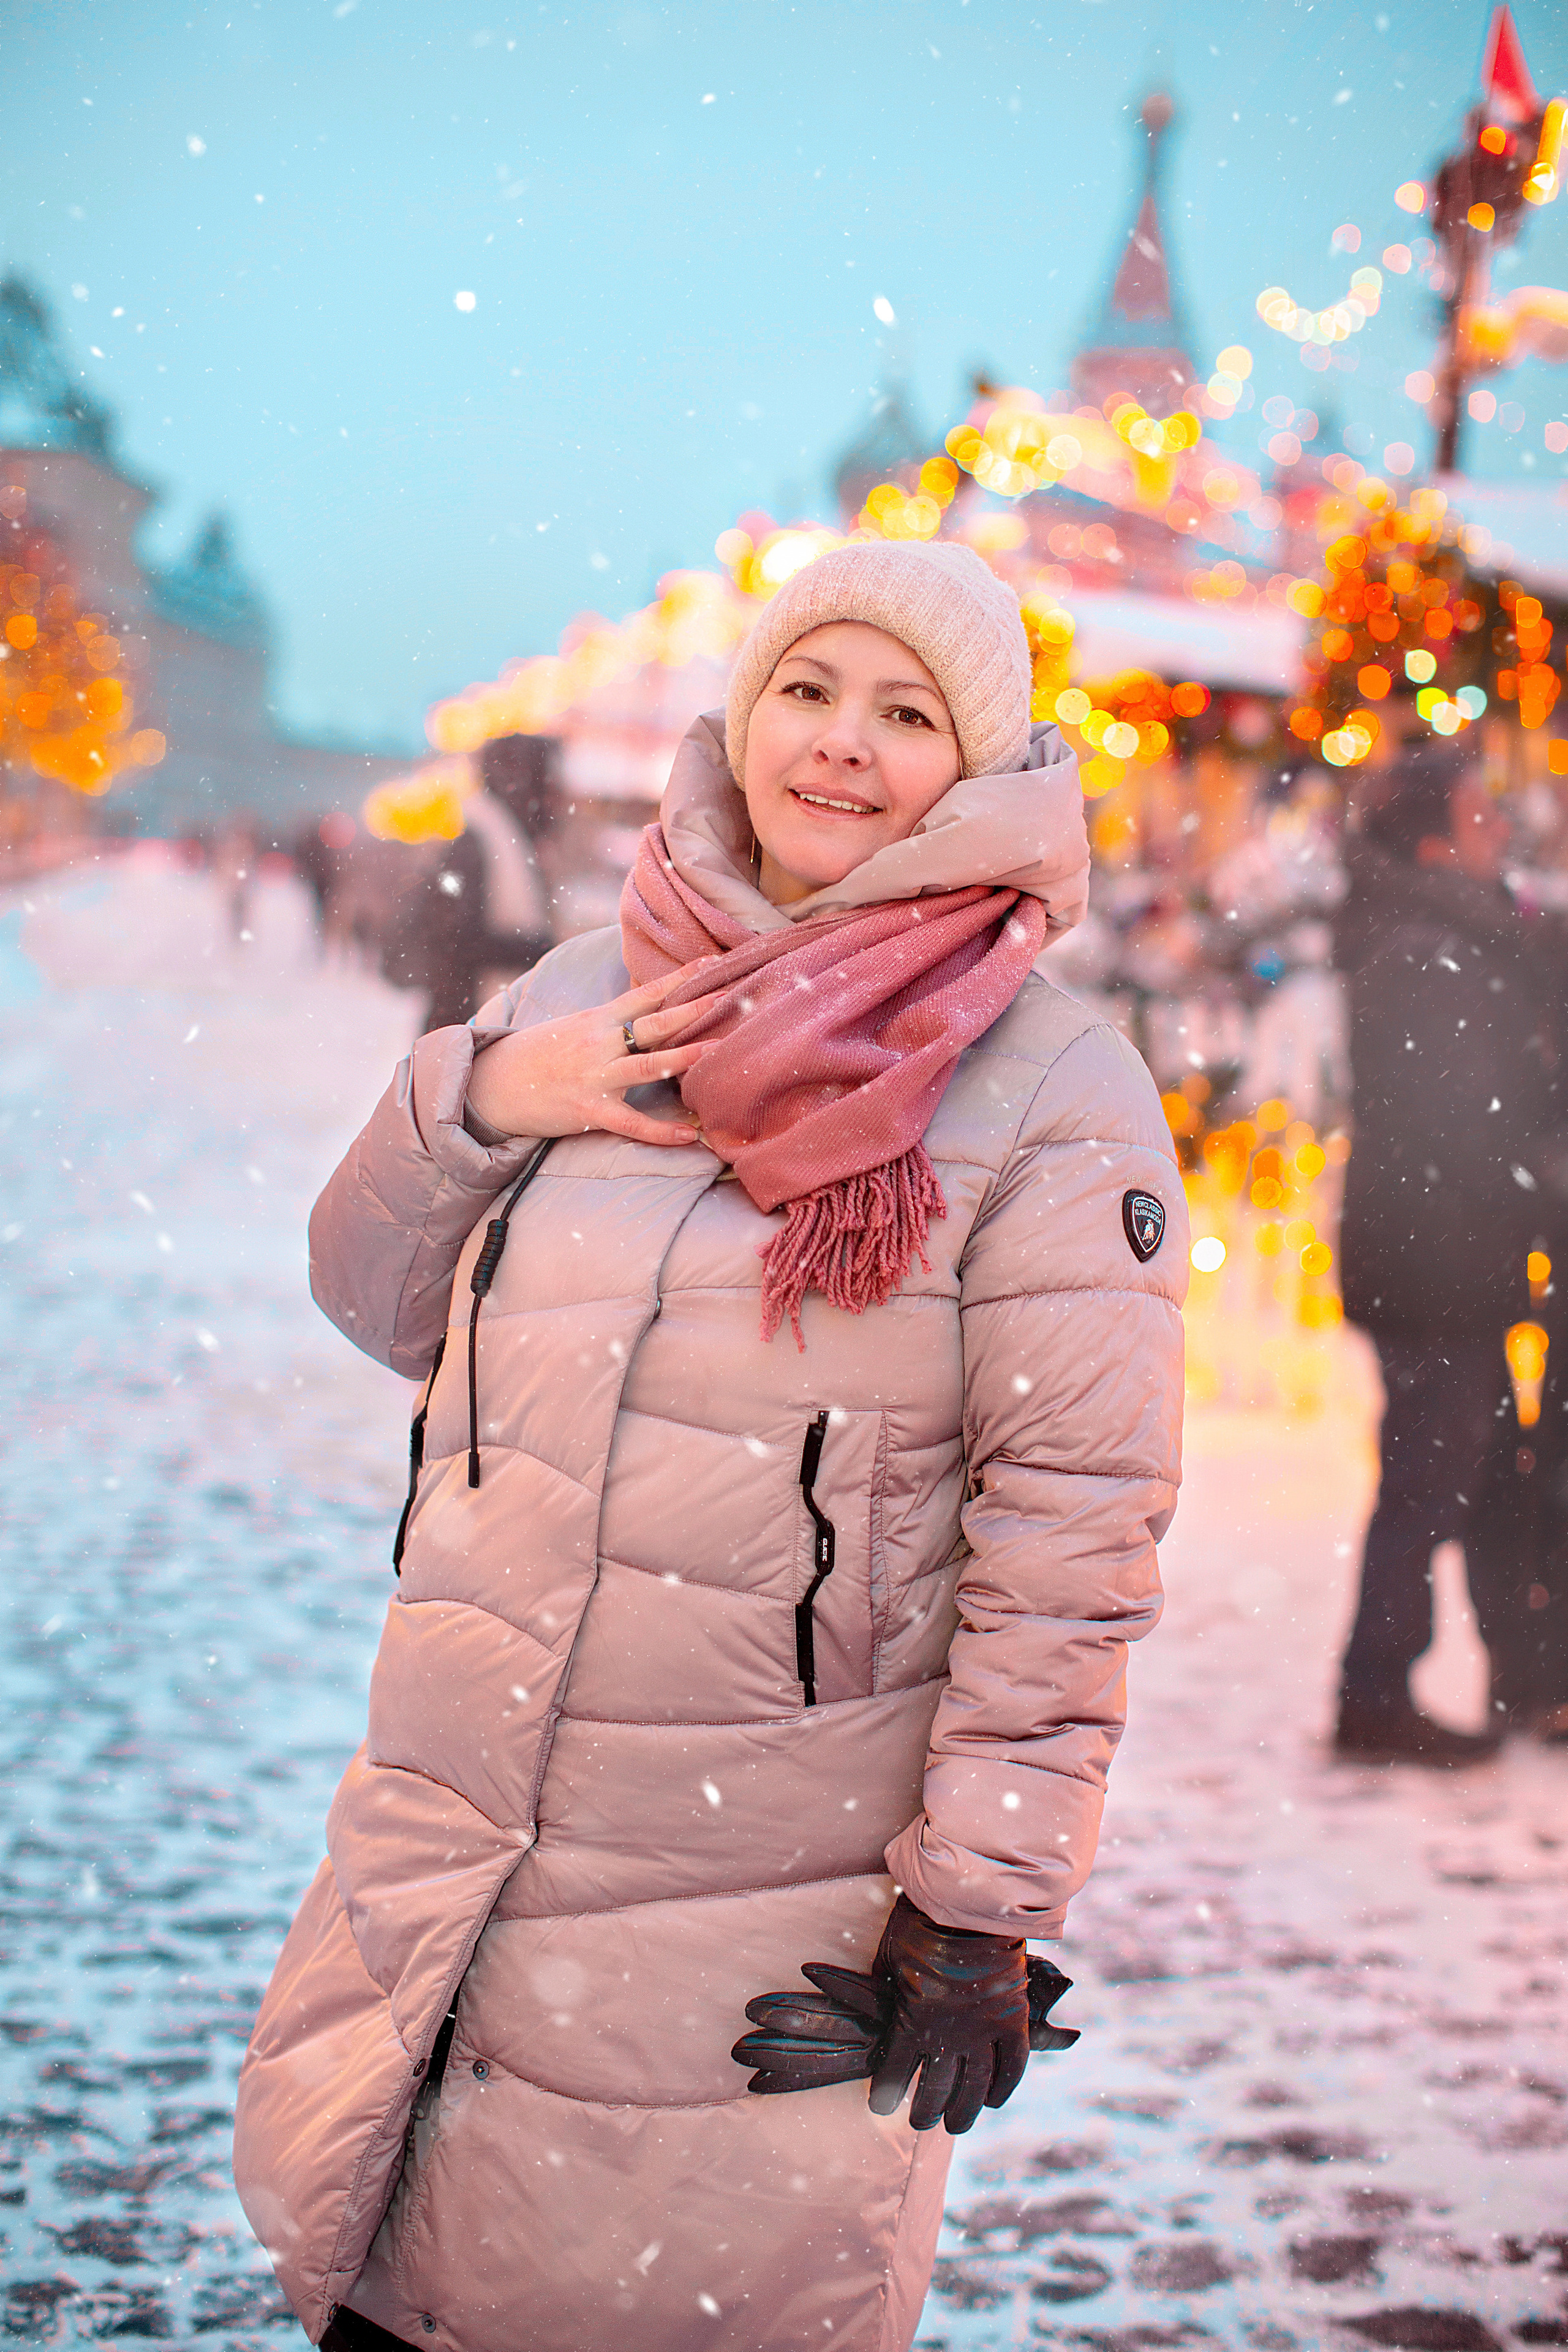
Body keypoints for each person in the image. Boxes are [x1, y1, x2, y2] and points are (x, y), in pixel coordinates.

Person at [233, 541, 1188, 2352]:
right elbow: (369, 1296)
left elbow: (1075, 1528)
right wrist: (486, 1093)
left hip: (754, 1889)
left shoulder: (1055, 1091)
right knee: (397, 2290)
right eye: (807, 694)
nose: (840, 747)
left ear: (976, 769)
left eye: (906, 715)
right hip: (455, 1843)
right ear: (745, 720)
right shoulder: (595, 981)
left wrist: (980, 1902)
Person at [1334, 740, 1560, 1763]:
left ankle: (1444, 1680)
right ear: (1433, 844)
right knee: (1432, 1479)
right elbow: (1466, 1118)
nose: (1500, 832)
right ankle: (1376, 1693)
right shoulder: (1424, 951)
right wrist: (1539, 1182)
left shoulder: (1440, 934)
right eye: (1480, 819)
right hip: (1437, 1262)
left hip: (1440, 1253)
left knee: (1445, 1473)